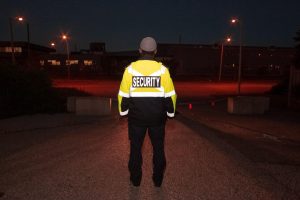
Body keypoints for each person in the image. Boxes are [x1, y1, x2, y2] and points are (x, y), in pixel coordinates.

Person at [118, 37, 176, 187]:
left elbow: (123, 95)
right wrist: (170, 113)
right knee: (158, 148)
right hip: (157, 118)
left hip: (136, 119)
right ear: (155, 52)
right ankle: (158, 180)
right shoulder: (163, 70)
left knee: (136, 149)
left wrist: (123, 112)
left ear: (139, 51)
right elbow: (170, 96)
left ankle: (136, 180)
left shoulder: (129, 70)